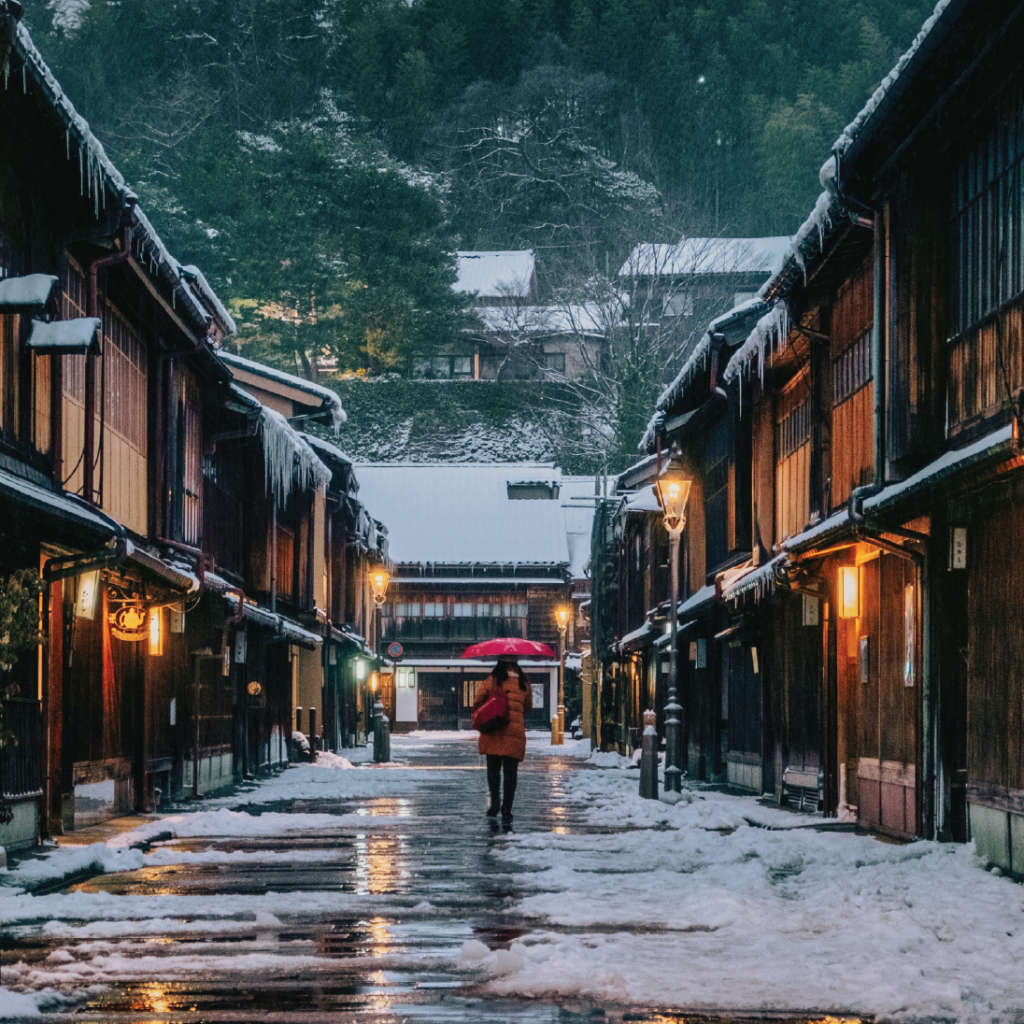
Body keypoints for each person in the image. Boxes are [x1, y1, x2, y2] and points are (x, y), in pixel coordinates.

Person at [473, 656, 532, 826]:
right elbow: (527, 708)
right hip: (514, 733)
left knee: (493, 770)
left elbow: (477, 701)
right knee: (510, 774)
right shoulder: (523, 683)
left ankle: (495, 801)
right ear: (516, 664)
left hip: (493, 730)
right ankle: (507, 809)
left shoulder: (492, 680)